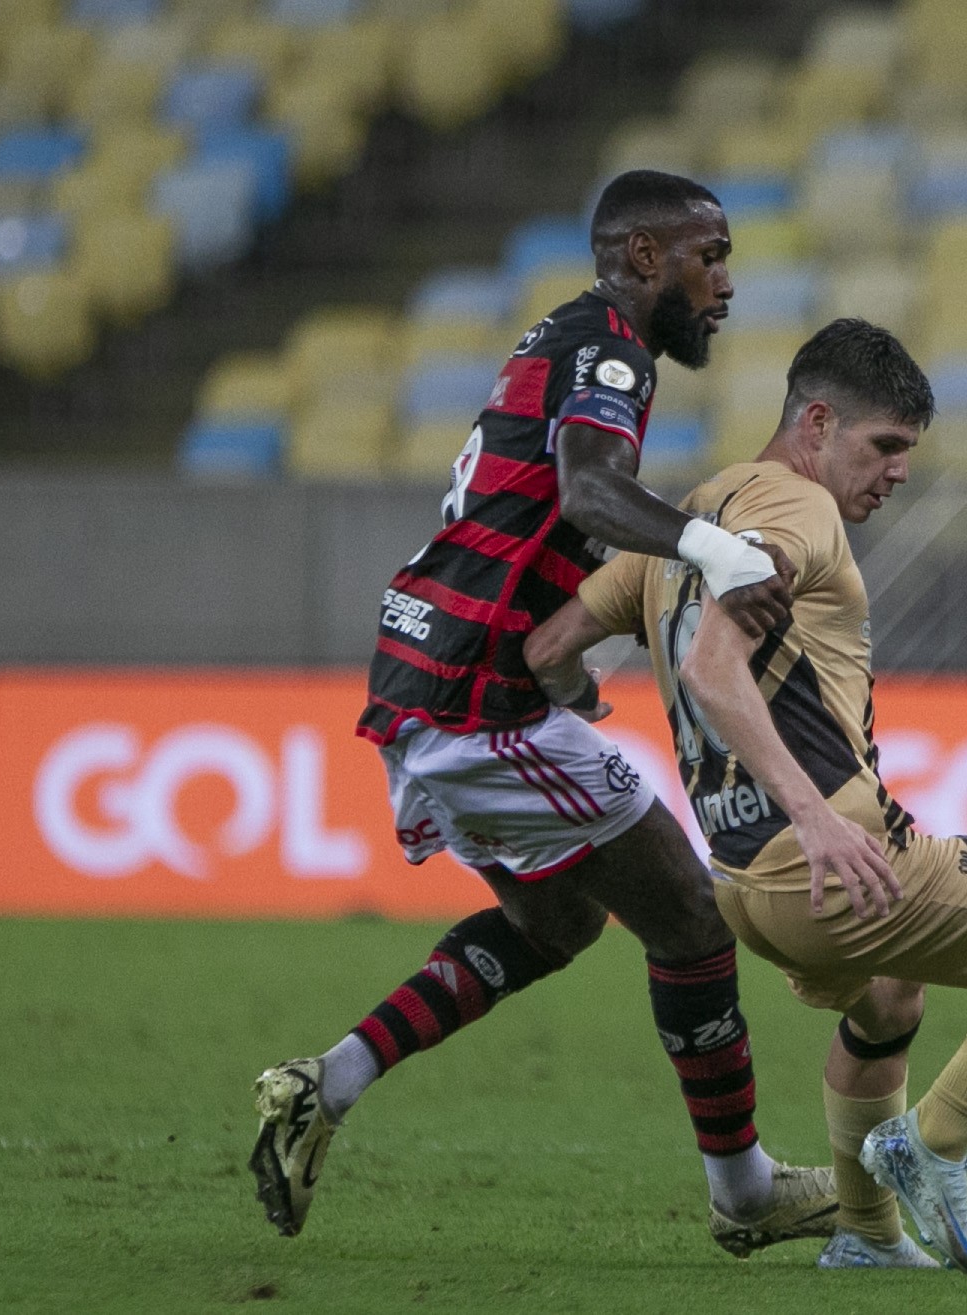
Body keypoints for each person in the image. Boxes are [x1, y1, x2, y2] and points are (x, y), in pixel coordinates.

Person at [249, 171, 837, 1258]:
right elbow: (586, 490)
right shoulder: (605, 348)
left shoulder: (569, 341)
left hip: (438, 676)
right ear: (644, 257)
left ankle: (323, 1082)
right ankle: (746, 1191)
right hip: (477, 702)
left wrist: (559, 663)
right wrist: (711, 547)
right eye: (710, 255)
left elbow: (538, 518)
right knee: (691, 921)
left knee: (557, 922)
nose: (727, 282)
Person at [524, 319, 967, 1273]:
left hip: (743, 886)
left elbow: (545, 647)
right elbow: (712, 664)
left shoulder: (691, 516)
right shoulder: (797, 511)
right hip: (833, 861)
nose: (898, 472)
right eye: (886, 446)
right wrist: (818, 819)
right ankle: (933, 1139)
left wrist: (576, 696)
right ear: (816, 423)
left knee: (891, 995)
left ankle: (866, 1236)